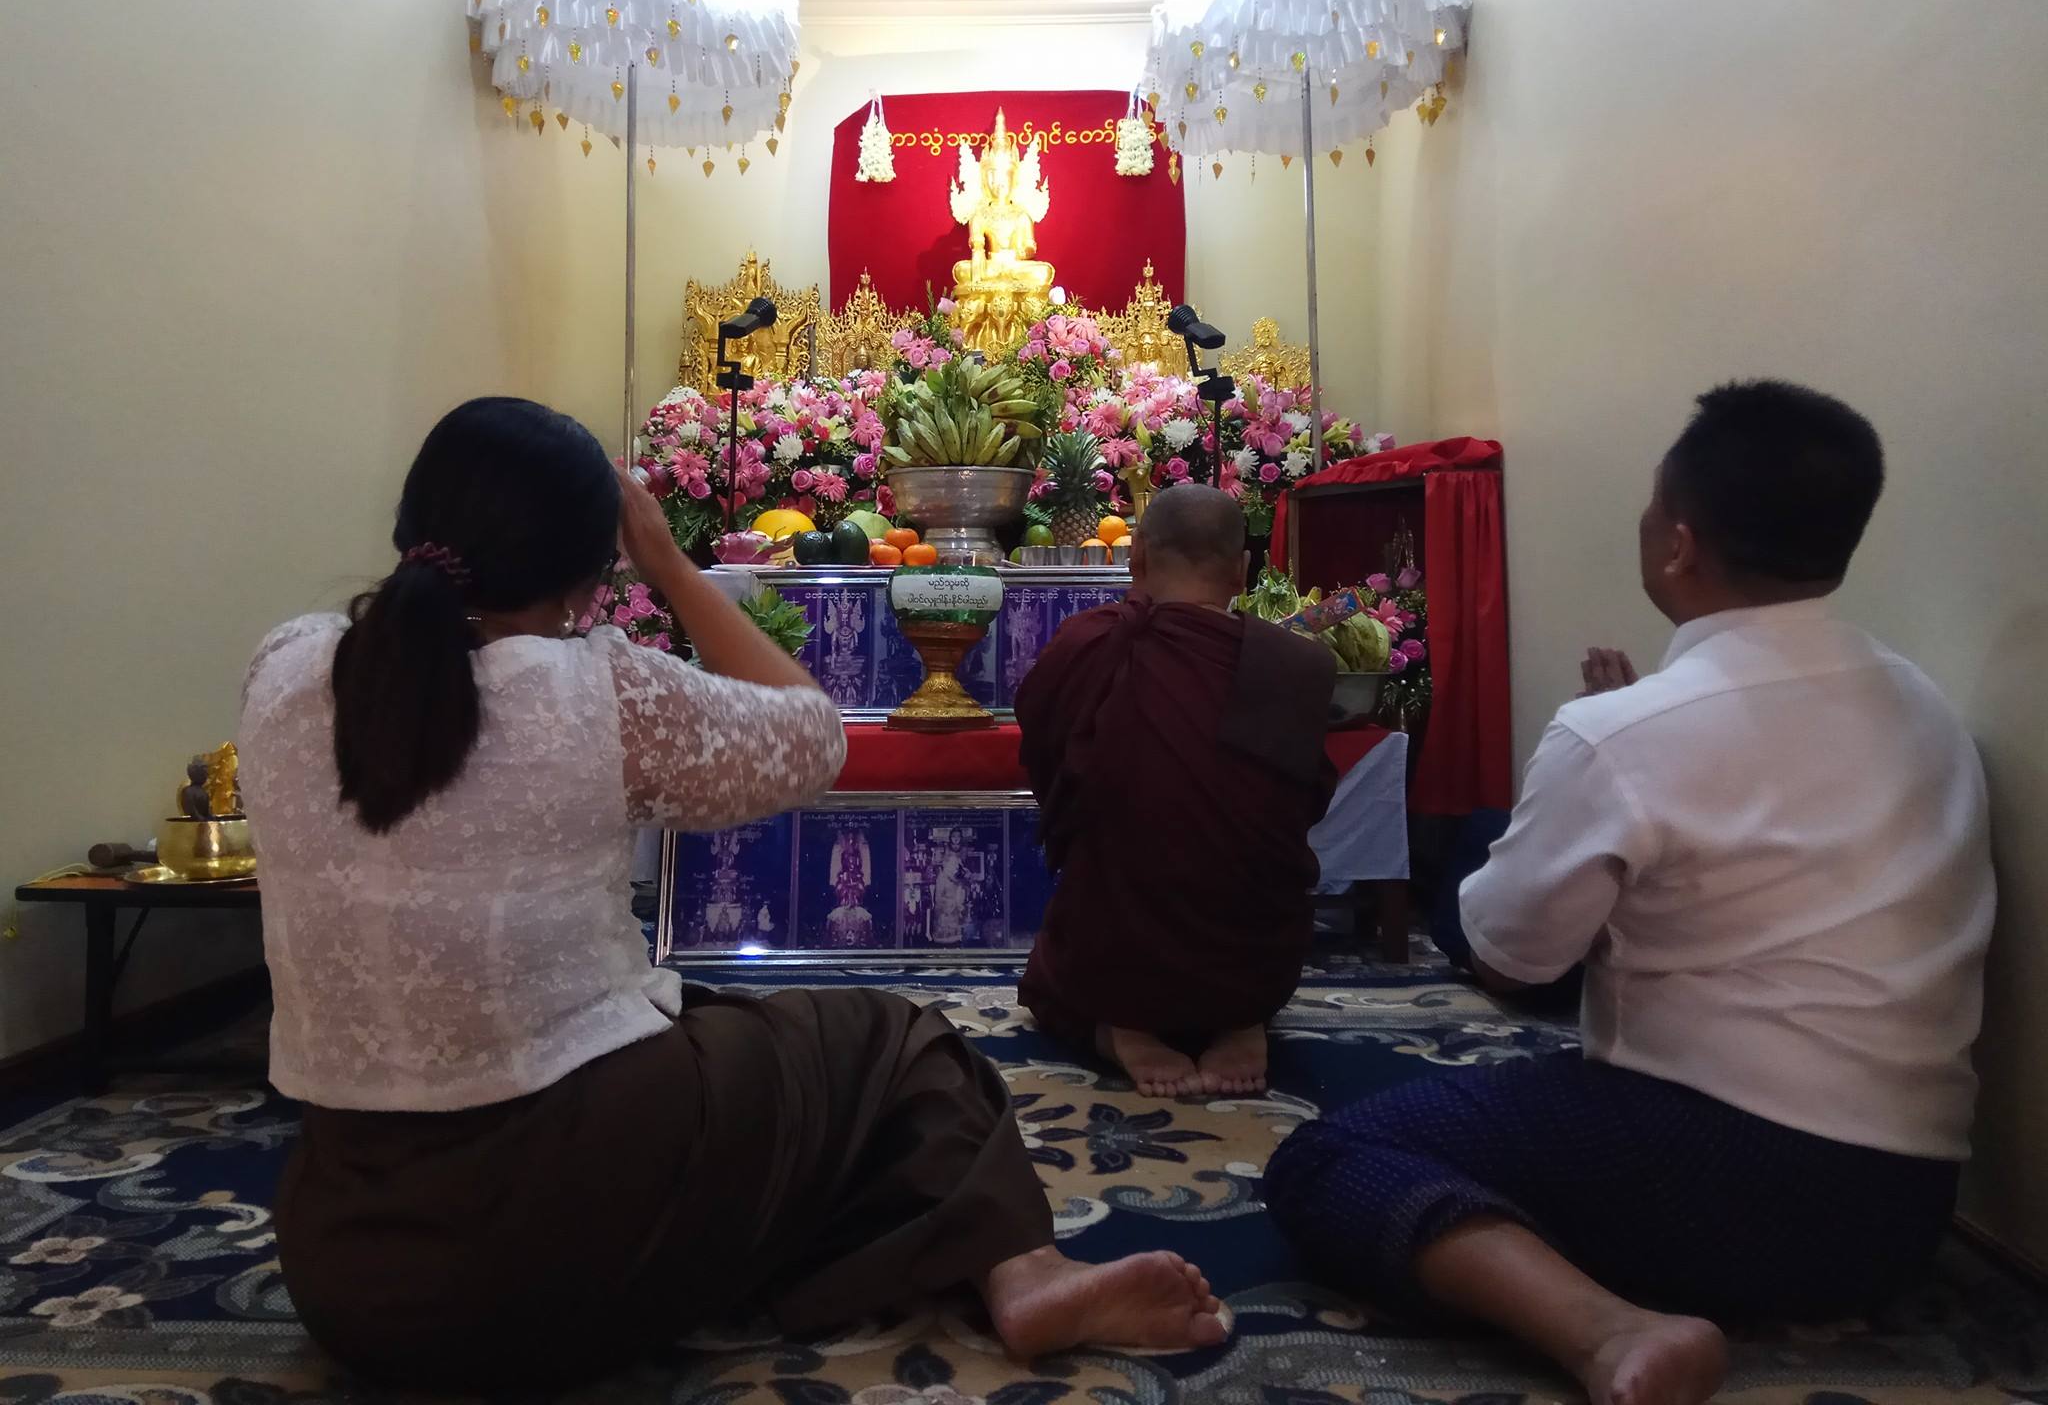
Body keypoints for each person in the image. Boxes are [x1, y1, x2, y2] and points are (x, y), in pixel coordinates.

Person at [239, 398, 1224, 1391]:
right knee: (894, 1046)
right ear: (588, 574)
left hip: (349, 1268)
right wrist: (673, 566)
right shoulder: (595, 691)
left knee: (712, 1032)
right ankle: (1026, 1274)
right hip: (550, 1237)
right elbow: (813, 736)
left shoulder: (284, 669)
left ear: (411, 526)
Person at [1264, 381, 1995, 1405]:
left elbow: (1507, 960)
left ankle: (1607, 1333)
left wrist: (1588, 761)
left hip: (1721, 1178)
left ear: (1678, 545)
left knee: (1334, 1155)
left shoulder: (1625, 732)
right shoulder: (1925, 705)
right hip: (1903, 1214)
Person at [1016, 483, 1338, 1098]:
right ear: (1242, 569)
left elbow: (1052, 771)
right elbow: (1305, 804)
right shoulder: (1295, 666)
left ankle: (1124, 1025)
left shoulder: (1087, 645)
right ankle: (1241, 1018)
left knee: (1102, 884)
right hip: (1254, 962)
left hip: (1115, 960)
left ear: (1136, 556)